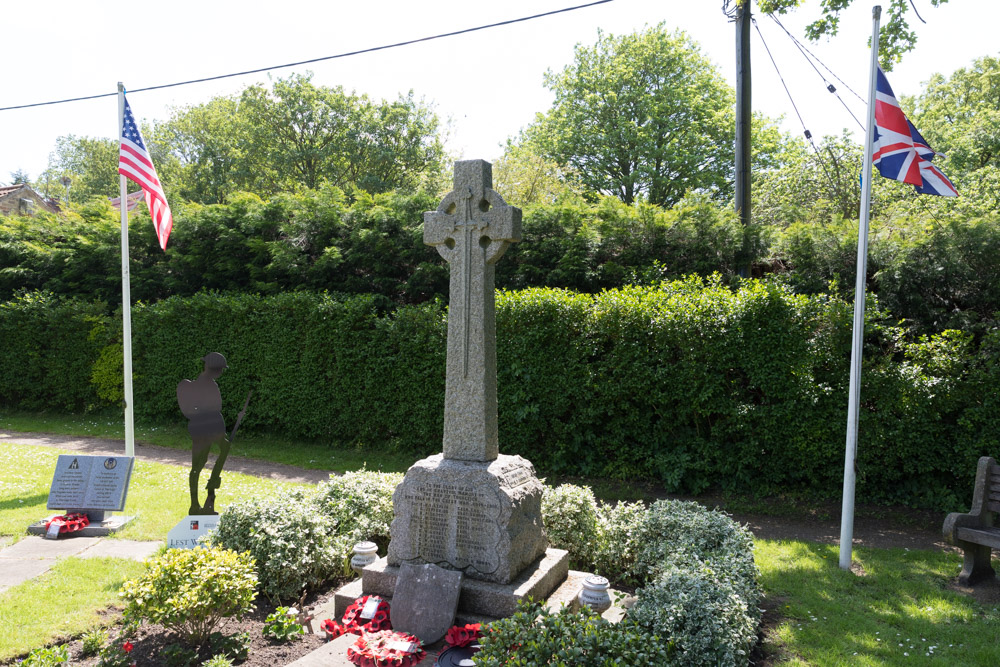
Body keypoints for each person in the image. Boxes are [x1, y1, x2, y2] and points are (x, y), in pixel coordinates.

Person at [177, 352, 231, 515]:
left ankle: (201, 500)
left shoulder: (196, 385)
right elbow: (217, 407)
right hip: (209, 426)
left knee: (198, 465)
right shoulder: (209, 385)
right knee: (203, 461)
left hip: (201, 427)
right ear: (215, 370)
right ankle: (204, 496)